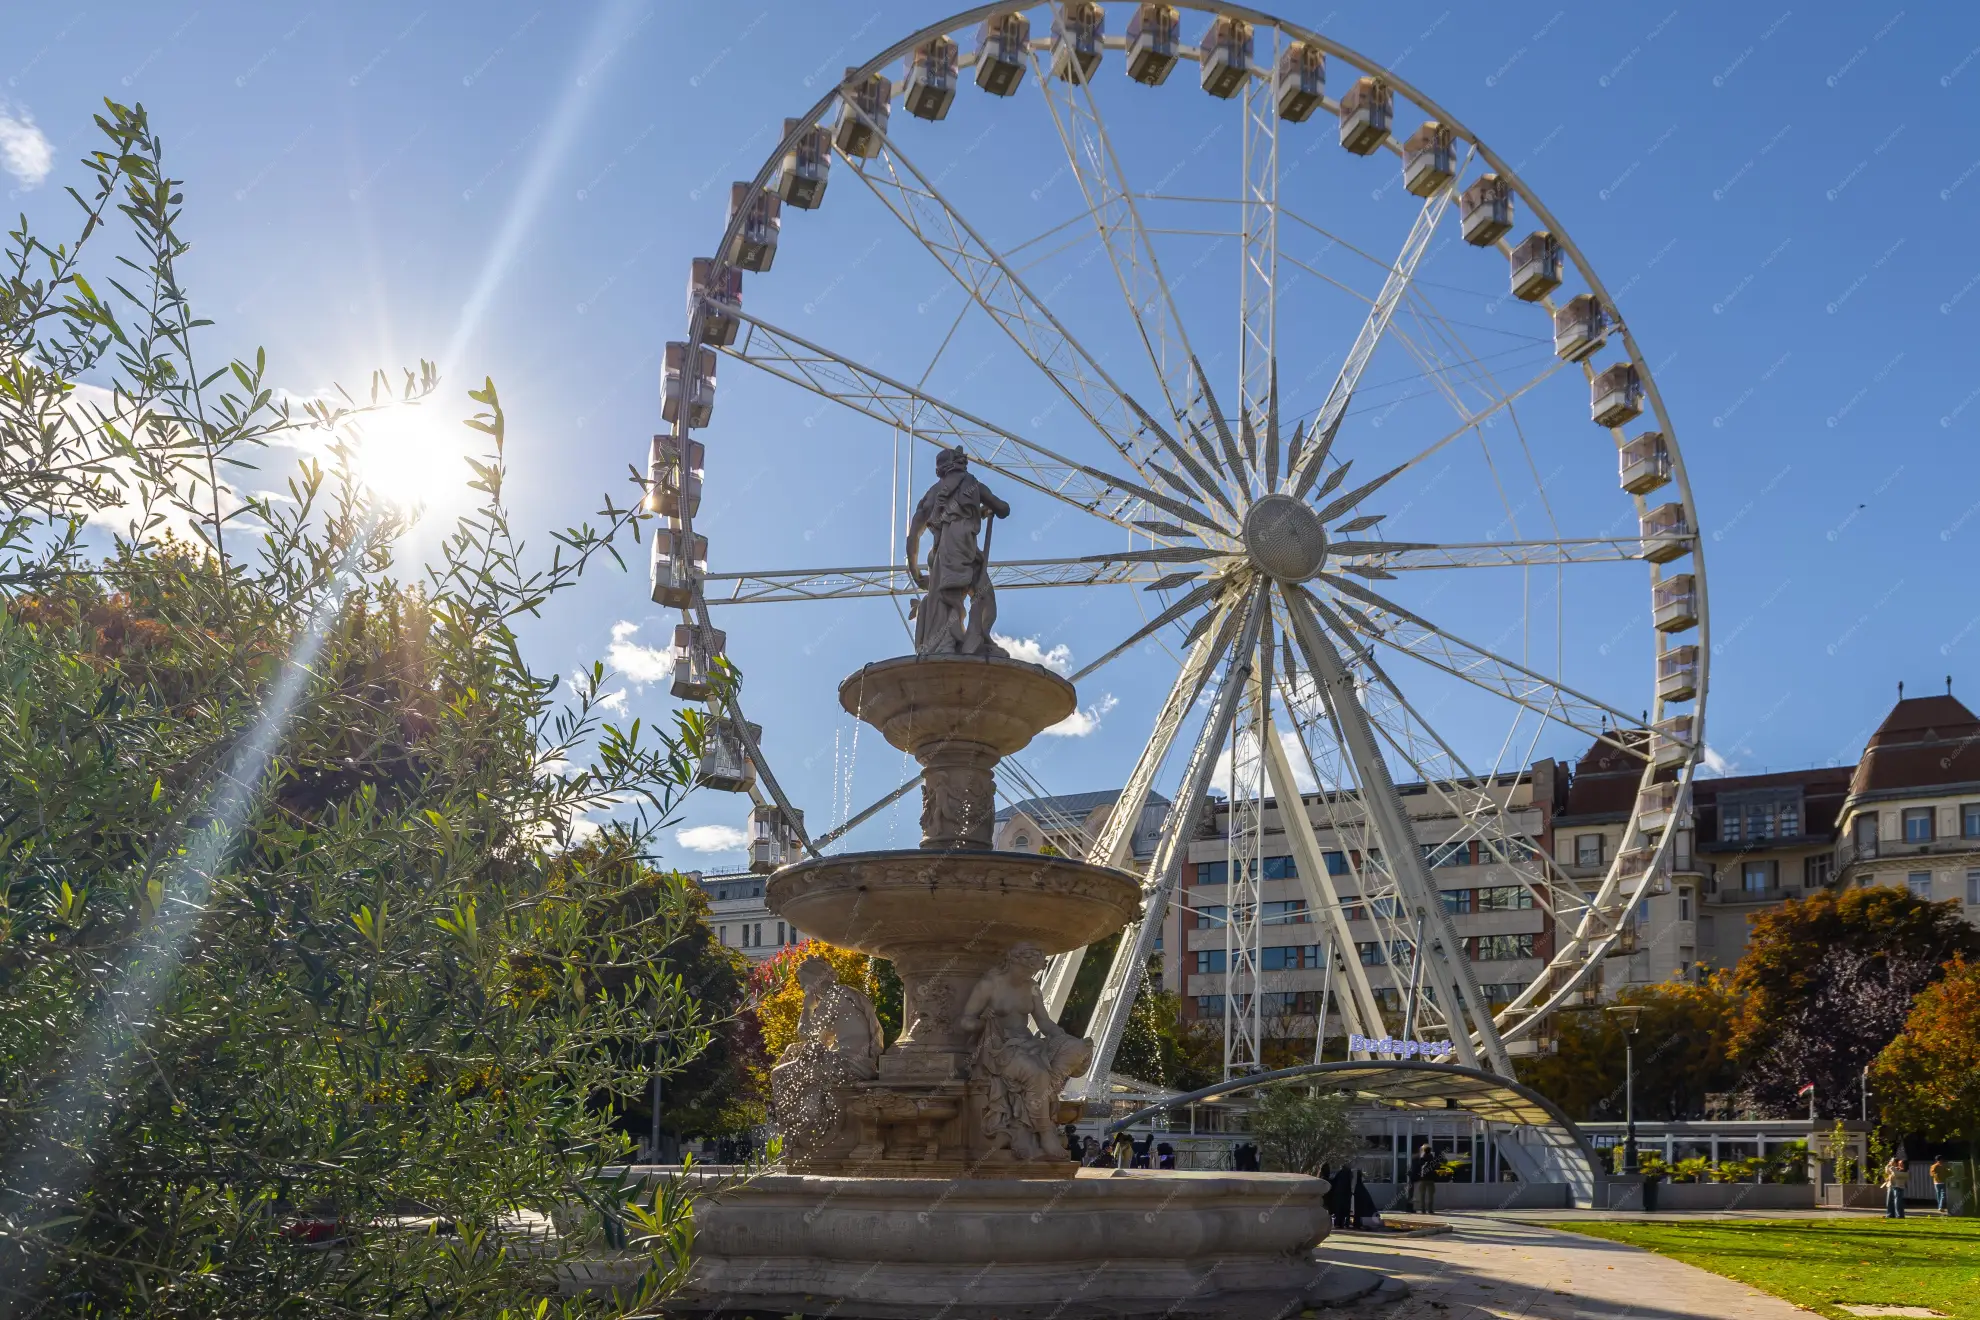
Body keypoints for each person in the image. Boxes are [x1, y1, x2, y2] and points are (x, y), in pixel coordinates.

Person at [1410, 1143, 1441, 1216]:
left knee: (1422, 1195)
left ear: (1424, 1150)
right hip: (1431, 1179)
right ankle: (1430, 1210)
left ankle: (1423, 1210)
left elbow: (1418, 1166)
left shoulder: (1422, 1158)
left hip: (1423, 1179)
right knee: (1431, 1196)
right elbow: (1437, 1166)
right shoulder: (1432, 1158)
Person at [1327, 1163, 1356, 1230]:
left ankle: (1338, 1223)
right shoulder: (1348, 1173)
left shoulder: (1341, 1173)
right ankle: (1344, 1223)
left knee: (1339, 1210)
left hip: (1340, 1195)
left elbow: (1334, 1182)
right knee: (1344, 1210)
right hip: (1346, 1194)